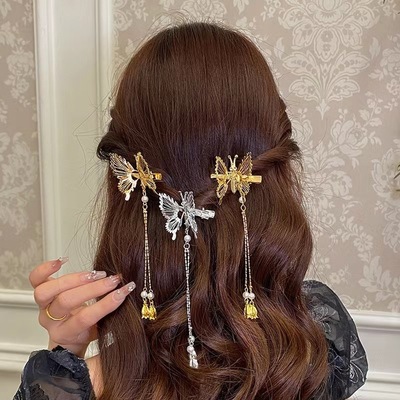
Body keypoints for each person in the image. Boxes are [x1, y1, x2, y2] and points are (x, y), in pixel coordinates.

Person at [14, 21, 367, 400]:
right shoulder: (317, 346)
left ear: (123, 182)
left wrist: (64, 364)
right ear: (276, 176)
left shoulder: (81, 388)